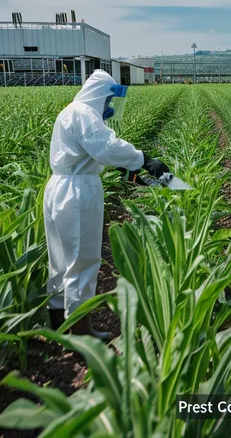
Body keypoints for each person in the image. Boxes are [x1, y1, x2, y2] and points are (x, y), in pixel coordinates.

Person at [43, 70, 169, 340]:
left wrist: (133, 176)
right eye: (109, 100)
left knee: (60, 260)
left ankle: (56, 324)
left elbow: (91, 155)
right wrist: (143, 160)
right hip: (77, 192)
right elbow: (107, 149)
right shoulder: (84, 114)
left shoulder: (70, 111)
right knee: (83, 260)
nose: (110, 106)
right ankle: (81, 332)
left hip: (58, 187)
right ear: (101, 94)